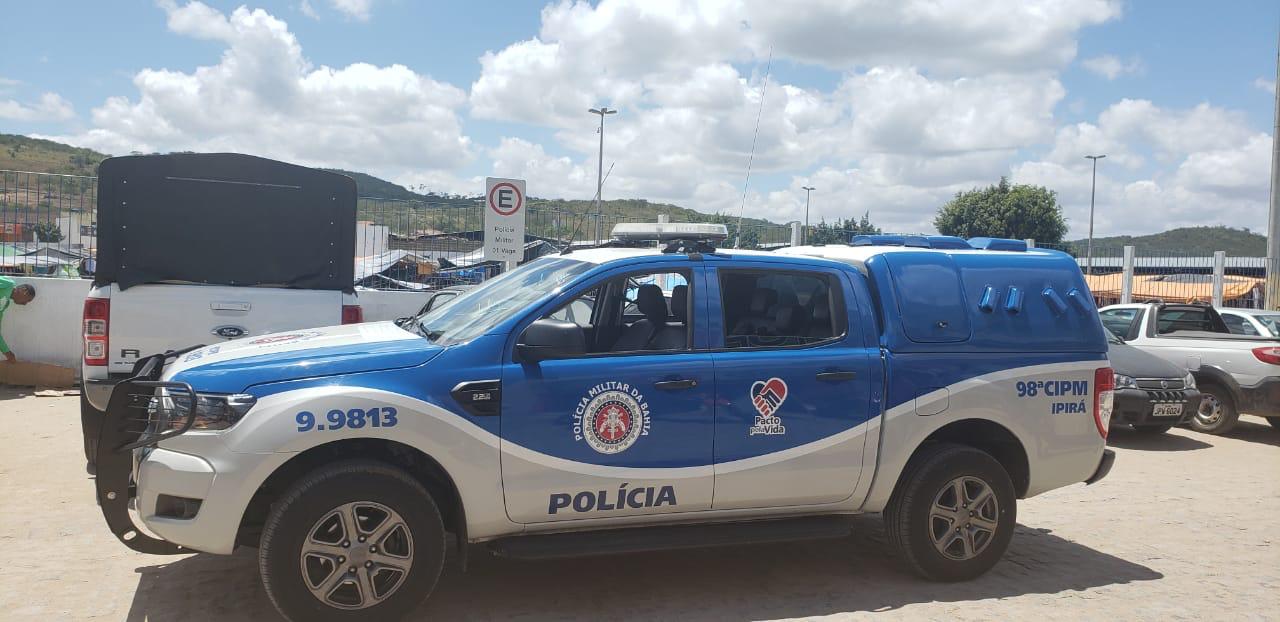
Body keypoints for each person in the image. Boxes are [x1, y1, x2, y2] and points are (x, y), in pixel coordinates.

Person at [0, 276, 36, 363]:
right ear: (24, 290)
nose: (25, 304)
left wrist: (7, 352)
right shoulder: (9, 284)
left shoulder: (4, 305)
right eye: (28, 300)